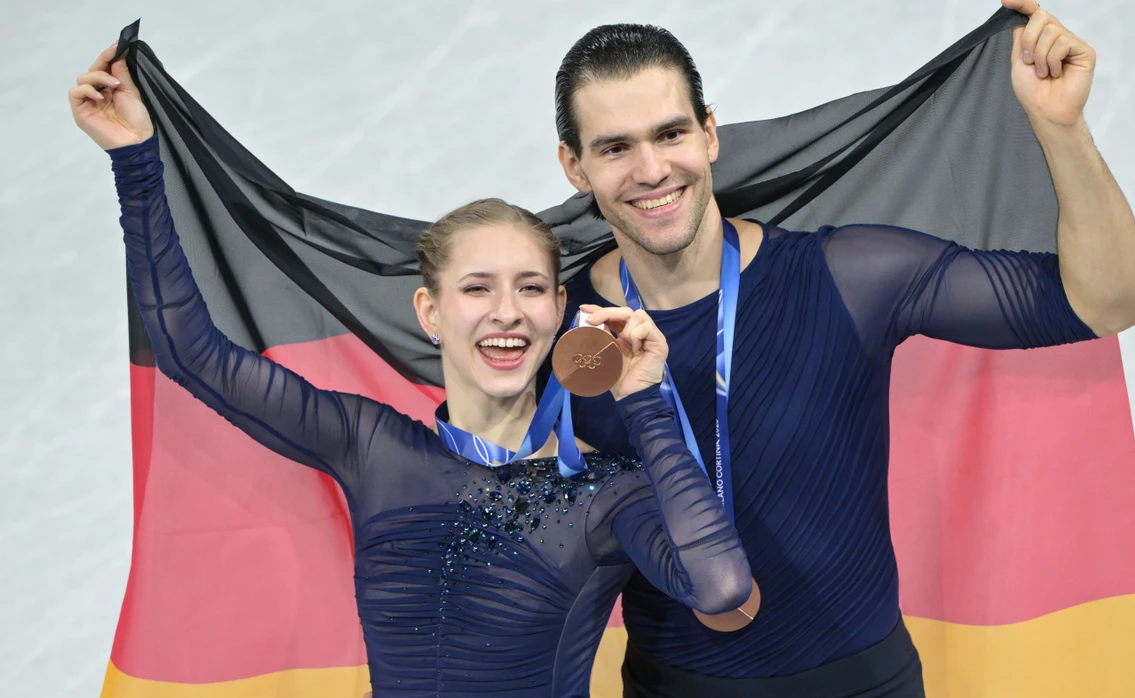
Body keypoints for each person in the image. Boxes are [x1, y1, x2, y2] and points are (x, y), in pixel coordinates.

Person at [70, 42, 754, 698]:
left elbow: (720, 587)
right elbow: (193, 354)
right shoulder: (372, 446)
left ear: (560, 310)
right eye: (477, 288)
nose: (506, 313)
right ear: (430, 311)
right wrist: (135, 160)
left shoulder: (608, 493)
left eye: (531, 288)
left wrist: (644, 400)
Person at [552, 1, 1135, 696]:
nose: (652, 169)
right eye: (615, 147)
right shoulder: (557, 333)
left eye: (671, 133)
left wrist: (1062, 130)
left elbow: (1112, 300)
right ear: (575, 166)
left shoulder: (849, 277)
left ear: (710, 134)